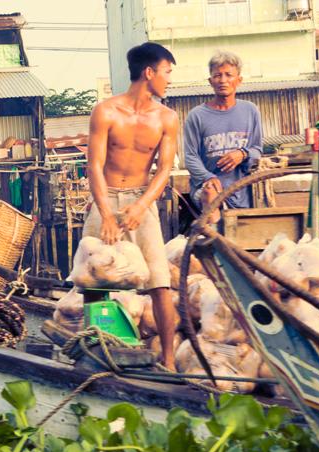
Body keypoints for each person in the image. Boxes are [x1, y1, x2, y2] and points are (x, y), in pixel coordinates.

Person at [84, 42, 178, 370]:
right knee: (95, 280)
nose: (169, 80)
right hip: (105, 197)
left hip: (143, 200)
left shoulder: (167, 118)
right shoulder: (106, 111)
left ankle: (168, 361)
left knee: (159, 282)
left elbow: (164, 169)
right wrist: (107, 213)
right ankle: (102, 352)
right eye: (166, 72)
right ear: (148, 72)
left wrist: (141, 206)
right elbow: (93, 165)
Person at [184, 51, 262, 223]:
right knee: (210, 194)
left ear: (239, 80)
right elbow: (190, 157)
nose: (223, 80)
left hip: (241, 189)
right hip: (206, 188)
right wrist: (208, 177)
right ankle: (216, 239)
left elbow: (257, 150)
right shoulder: (196, 116)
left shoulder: (250, 111)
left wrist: (242, 153)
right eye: (217, 75)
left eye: (229, 75)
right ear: (211, 81)